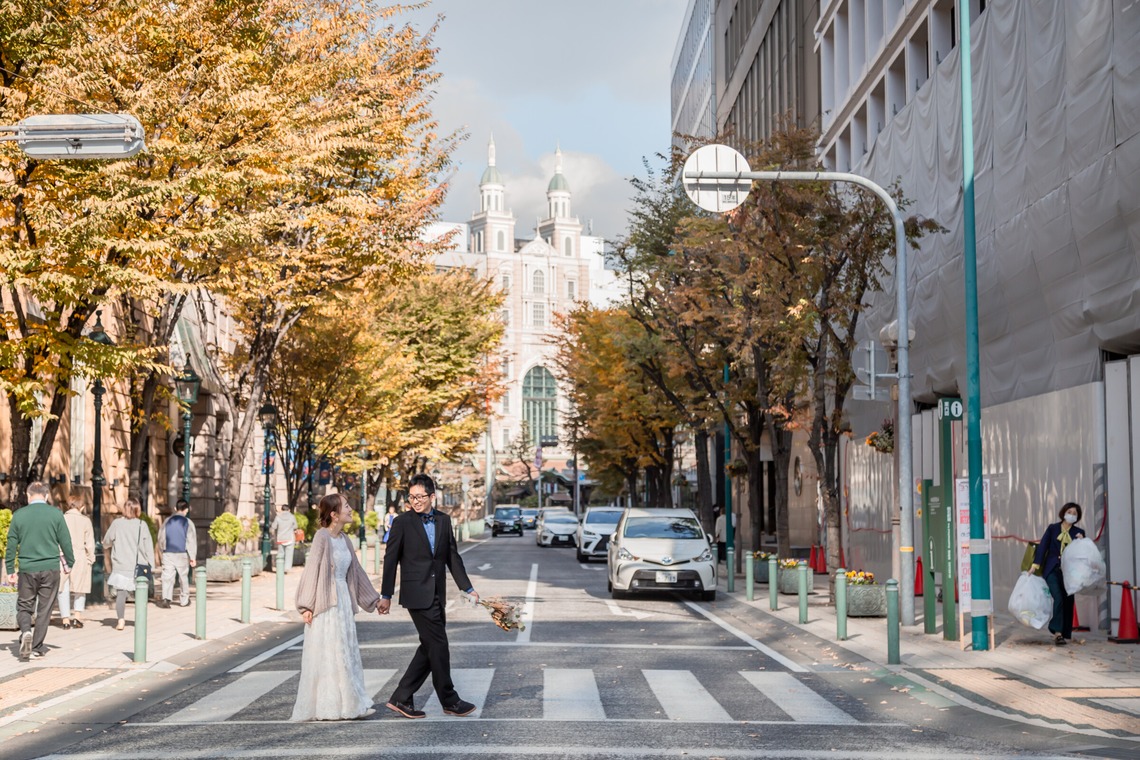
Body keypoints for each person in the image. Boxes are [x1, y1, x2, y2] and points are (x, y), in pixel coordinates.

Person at [380, 473, 478, 719]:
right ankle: (449, 699)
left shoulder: (444, 521)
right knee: (439, 645)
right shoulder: (402, 522)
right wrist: (386, 594)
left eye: (420, 497)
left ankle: (401, 697)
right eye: (412, 497)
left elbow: (452, 558)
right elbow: (390, 559)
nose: (415, 501)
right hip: (416, 593)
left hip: (437, 593)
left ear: (432, 496)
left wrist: (467, 588)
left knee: (430, 646)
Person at [292, 493, 382, 721]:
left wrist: (374, 600)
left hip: (343, 600)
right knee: (329, 652)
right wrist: (306, 605)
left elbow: (357, 573)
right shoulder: (322, 537)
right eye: (347, 506)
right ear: (334, 514)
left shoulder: (344, 539)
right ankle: (328, 706)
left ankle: (352, 704)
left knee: (345, 651)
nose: (351, 510)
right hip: (325, 602)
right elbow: (312, 570)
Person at [5, 482, 75, 661]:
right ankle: (36, 647)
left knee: (24, 606)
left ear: (28, 496)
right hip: (50, 569)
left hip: (27, 569)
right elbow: (65, 541)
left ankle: (26, 631)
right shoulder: (56, 514)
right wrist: (70, 562)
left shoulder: (19, 515)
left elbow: (11, 543)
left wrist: (10, 569)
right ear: (46, 496)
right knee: (45, 609)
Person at [1029, 502, 1087, 646]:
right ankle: (1057, 633)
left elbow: (1083, 553)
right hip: (1052, 569)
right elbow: (1043, 546)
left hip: (1069, 573)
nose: (1072, 515)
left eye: (1075, 513)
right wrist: (1035, 566)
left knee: (1068, 601)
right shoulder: (1053, 528)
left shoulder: (1078, 532)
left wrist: (1082, 541)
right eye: (1070, 512)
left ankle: (1065, 631)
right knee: (1058, 597)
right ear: (1064, 512)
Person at [103, 498, 155, 631]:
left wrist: (107, 545)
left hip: (121, 564)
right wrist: (152, 565)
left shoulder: (117, 523)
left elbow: (107, 541)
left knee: (121, 594)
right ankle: (140, 620)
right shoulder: (141, 525)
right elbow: (148, 546)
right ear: (138, 509)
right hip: (138, 566)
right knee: (140, 595)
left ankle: (121, 621)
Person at [58, 495, 95, 629]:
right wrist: (91, 558)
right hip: (80, 556)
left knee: (63, 587)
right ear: (82, 507)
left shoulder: (61, 519)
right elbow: (89, 543)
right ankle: (77, 617)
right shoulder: (85, 521)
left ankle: (65, 619)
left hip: (63, 556)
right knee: (80, 588)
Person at [156, 500, 196, 608]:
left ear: (175, 509)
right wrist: (192, 557)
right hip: (181, 553)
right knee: (183, 577)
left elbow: (161, 537)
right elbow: (191, 540)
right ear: (186, 510)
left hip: (168, 552)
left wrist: (162, 550)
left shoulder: (167, 521)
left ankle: (166, 598)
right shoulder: (188, 522)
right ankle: (184, 600)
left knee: (167, 576)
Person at [271, 504, 299, 573]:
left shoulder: (278, 517)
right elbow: (295, 526)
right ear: (289, 509)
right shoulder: (292, 517)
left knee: (281, 554)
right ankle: (287, 568)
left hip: (280, 538)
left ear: (282, 509)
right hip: (290, 538)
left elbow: (273, 526)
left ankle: (280, 567)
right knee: (289, 554)